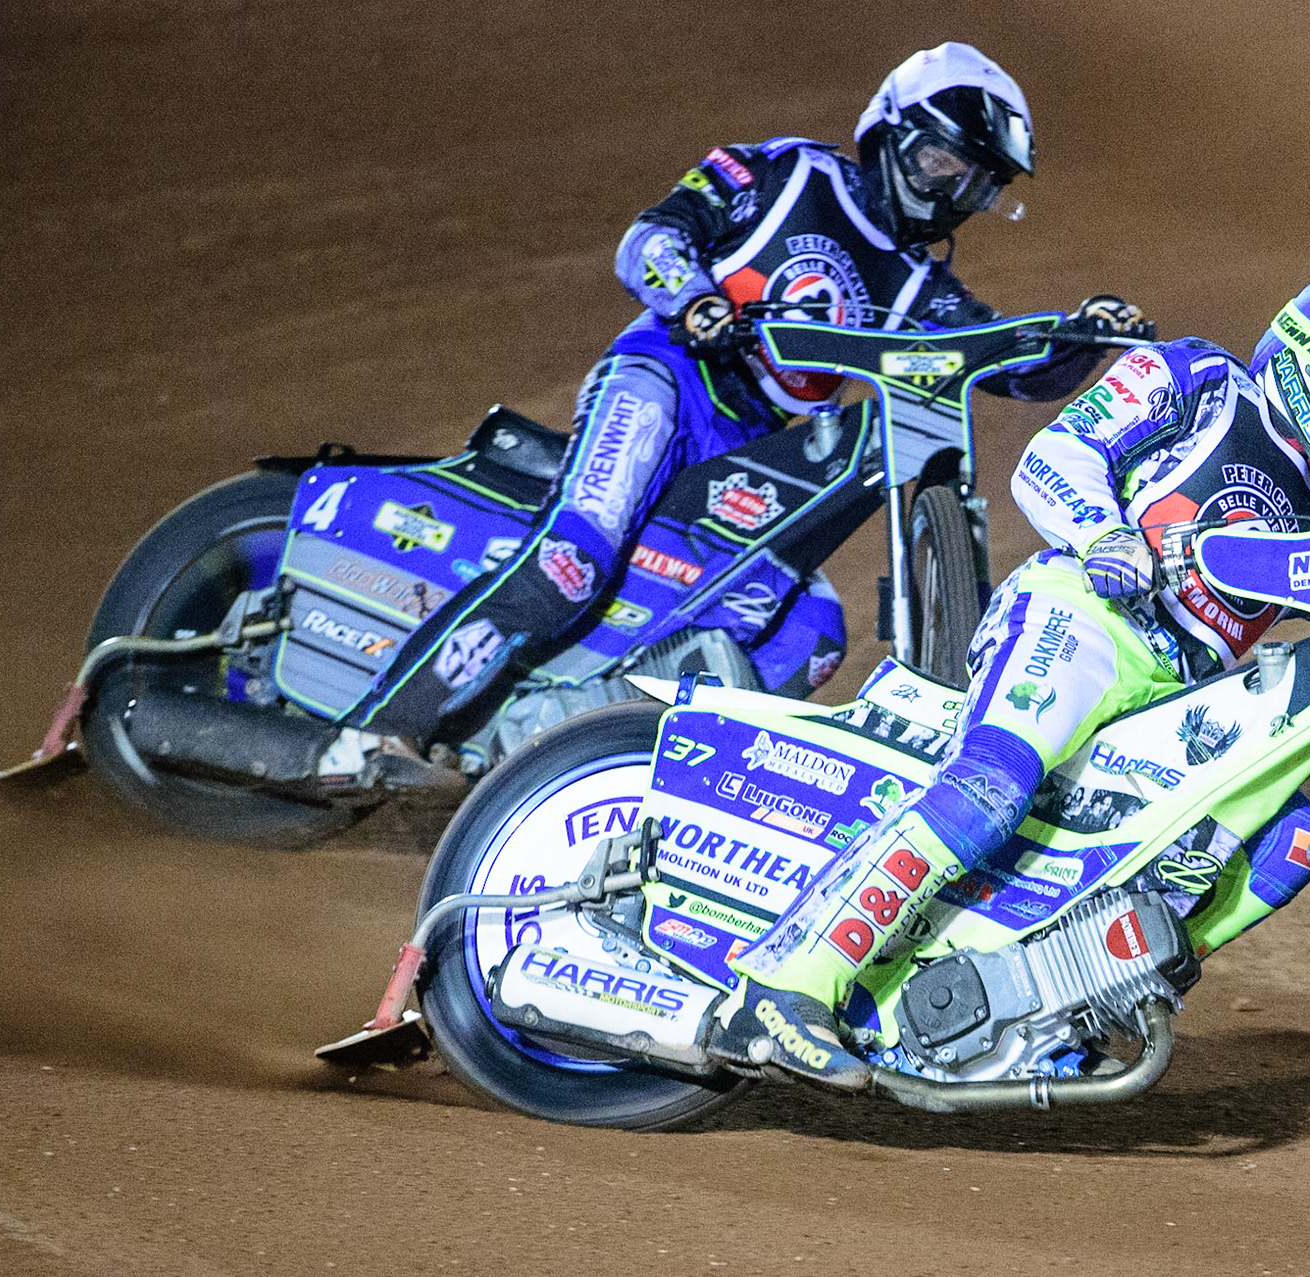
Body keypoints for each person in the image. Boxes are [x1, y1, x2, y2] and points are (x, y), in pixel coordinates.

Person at [711, 269, 1310, 1088]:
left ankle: (1060, 999)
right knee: (992, 785)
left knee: (1287, 840)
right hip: (1084, 617)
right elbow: (1053, 458)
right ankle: (781, 990)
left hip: (1184, 692)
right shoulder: (1203, 380)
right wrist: (1109, 537)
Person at [328, 42, 1145, 779]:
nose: (952, 193)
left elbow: (1004, 362)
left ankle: (587, 759)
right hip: (665, 382)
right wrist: (690, 298)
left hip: (748, 453)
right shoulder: (787, 173)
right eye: (942, 162)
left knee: (813, 628)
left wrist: (1084, 338)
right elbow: (651, 235)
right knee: (575, 554)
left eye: (976, 183)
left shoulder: (921, 289)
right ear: (892, 132)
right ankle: (377, 730)